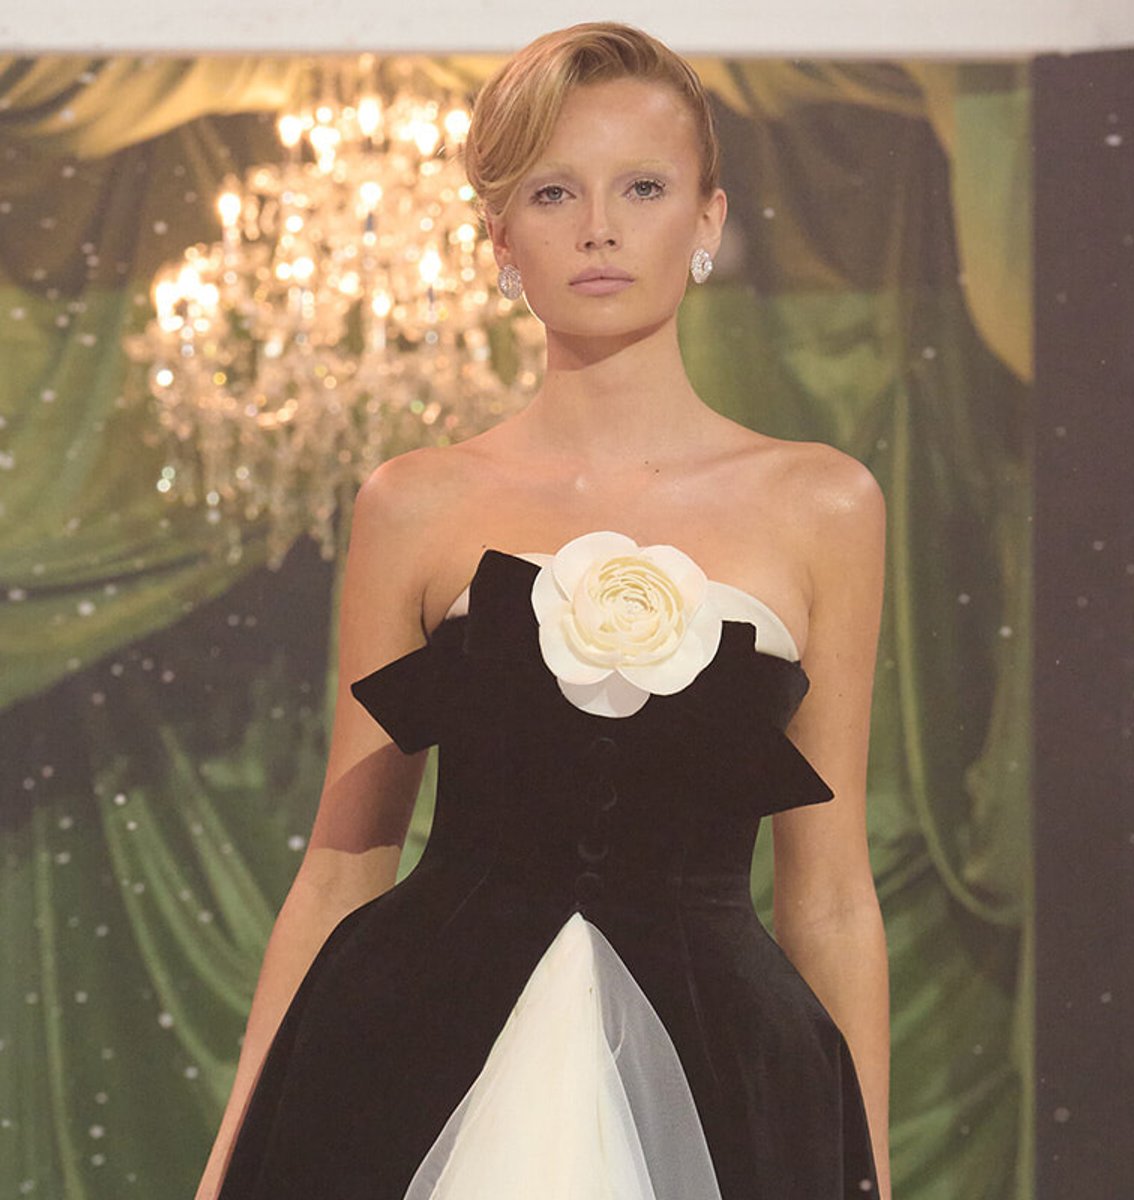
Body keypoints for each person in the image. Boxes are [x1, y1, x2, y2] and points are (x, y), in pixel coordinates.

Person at [197, 20, 890, 1200]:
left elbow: (827, 894)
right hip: (408, 1050)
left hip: (725, 1077)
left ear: (707, 221)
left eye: (645, 186)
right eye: (554, 190)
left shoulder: (820, 503)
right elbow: (342, 865)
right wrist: (230, 1163)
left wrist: (866, 1170)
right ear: (499, 238)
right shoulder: (417, 502)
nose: (601, 227)